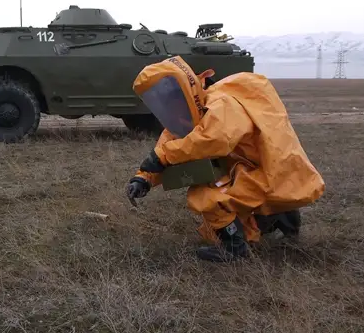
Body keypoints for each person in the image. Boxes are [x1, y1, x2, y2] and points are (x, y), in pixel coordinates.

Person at [125, 56, 325, 262]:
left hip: (269, 174)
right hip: (259, 172)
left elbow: (213, 139)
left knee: (207, 198)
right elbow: (167, 147)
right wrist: (144, 179)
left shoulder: (221, 104)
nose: (167, 106)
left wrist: (161, 157)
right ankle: (281, 219)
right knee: (217, 219)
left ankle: (235, 250)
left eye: (171, 97)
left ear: (186, 89)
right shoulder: (188, 117)